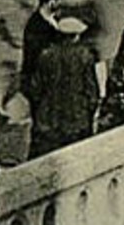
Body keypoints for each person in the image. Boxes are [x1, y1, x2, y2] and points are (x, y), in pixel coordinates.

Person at [26, 16, 100, 158]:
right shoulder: (84, 56)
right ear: (75, 36)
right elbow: (92, 91)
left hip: (48, 120)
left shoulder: (45, 55)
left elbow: (35, 89)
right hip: (76, 119)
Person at [14, 0, 66, 109]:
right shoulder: (36, 26)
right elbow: (38, 57)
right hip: (40, 84)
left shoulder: (50, 20)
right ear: (50, 2)